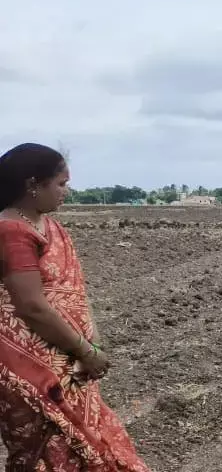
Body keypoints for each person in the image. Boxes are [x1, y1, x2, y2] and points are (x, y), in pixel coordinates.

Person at [0, 143, 151, 471]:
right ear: (33, 186)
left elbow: (74, 292)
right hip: (31, 368)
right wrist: (85, 350)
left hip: (68, 359)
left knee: (90, 444)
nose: (67, 191)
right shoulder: (12, 231)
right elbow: (31, 306)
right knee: (47, 452)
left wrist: (90, 339)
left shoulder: (48, 226)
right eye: (62, 184)